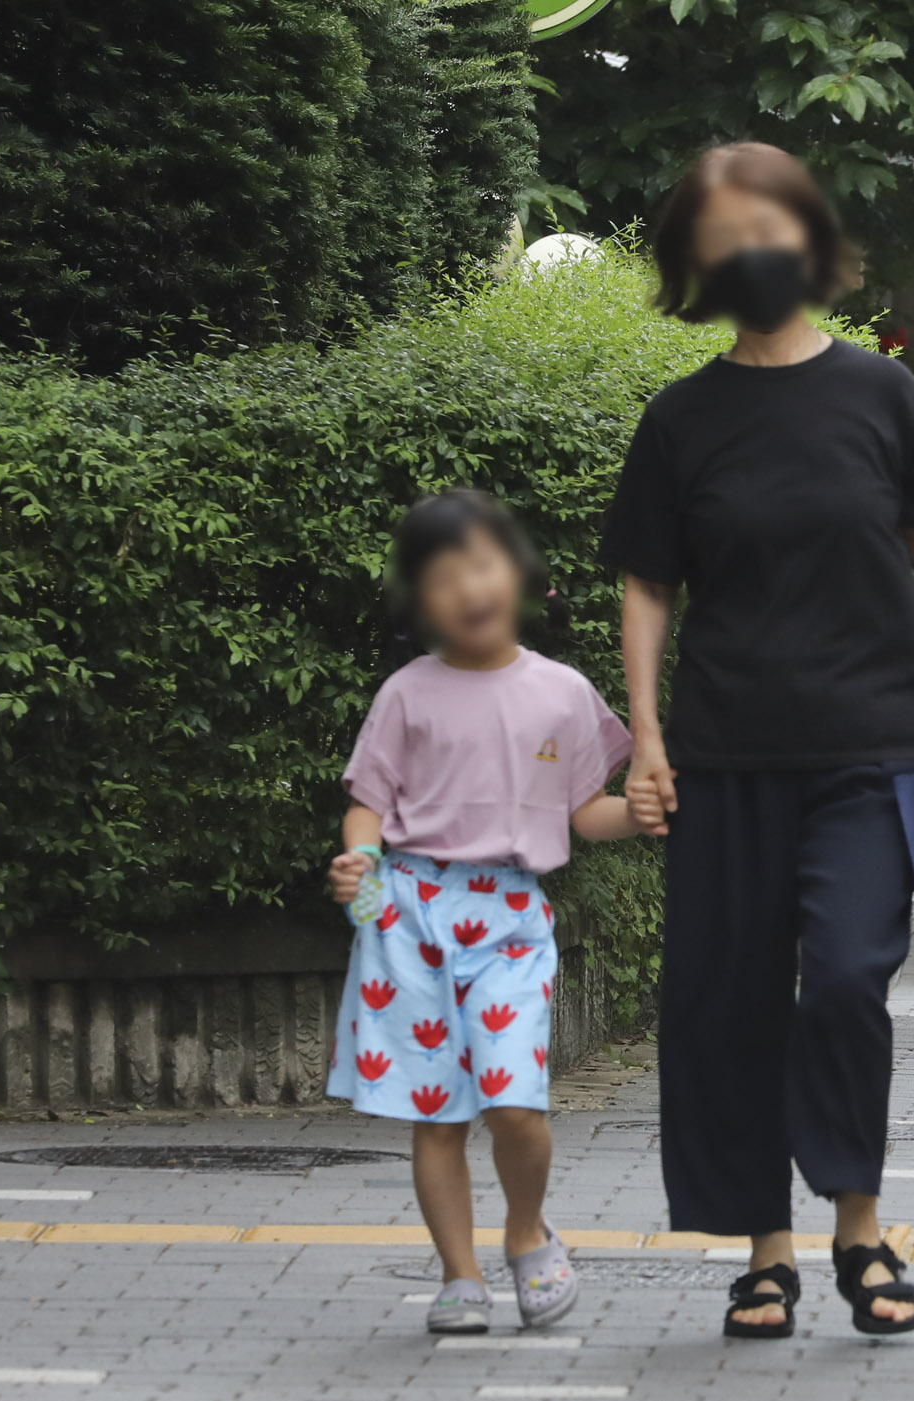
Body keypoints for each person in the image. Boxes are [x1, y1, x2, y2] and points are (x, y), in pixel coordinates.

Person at [601, 143, 914, 1339]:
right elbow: (647, 585)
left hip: (873, 743)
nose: (748, 250)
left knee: (848, 975)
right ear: (694, 261)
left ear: (807, 238)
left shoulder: (879, 394)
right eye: (722, 235)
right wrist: (646, 738)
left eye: (766, 226)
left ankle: (859, 1223)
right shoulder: (680, 418)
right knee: (734, 1001)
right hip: (726, 752)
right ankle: (766, 1251)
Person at [325, 490, 640, 1335]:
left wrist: (647, 814)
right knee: (437, 1114)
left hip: (509, 918)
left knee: (514, 1102)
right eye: (442, 576)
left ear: (518, 572)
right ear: (418, 600)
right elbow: (368, 805)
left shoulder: (562, 692)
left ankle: (526, 1230)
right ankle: (458, 1275)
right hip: (409, 918)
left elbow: (588, 812)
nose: (467, 587)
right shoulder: (406, 694)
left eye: (482, 564)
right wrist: (361, 862)